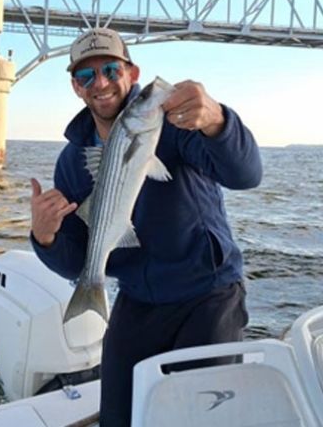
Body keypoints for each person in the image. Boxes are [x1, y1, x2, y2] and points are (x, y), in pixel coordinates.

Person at [30, 28, 262, 426]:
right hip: (137, 298)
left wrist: (218, 121)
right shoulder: (72, 160)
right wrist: (45, 236)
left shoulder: (176, 127)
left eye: (109, 69)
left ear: (132, 72)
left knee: (198, 417)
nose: (100, 83)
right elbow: (75, 261)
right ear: (76, 87)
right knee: (120, 416)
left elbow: (245, 174)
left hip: (208, 294)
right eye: (86, 76)